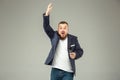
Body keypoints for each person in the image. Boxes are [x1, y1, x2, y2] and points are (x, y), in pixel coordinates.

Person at [43, 3, 83, 80]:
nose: (62, 30)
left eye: (65, 28)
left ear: (68, 30)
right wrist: (47, 13)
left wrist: (75, 54)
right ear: (58, 30)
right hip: (55, 71)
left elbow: (80, 51)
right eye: (60, 28)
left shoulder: (73, 39)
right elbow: (46, 27)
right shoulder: (54, 36)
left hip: (68, 72)